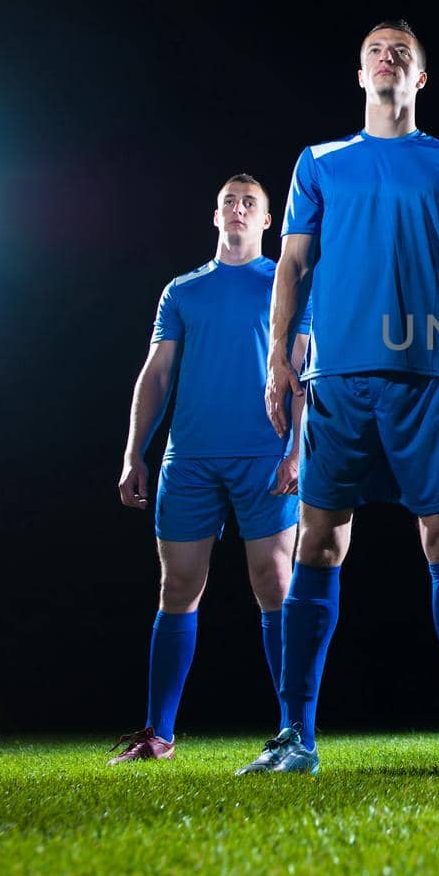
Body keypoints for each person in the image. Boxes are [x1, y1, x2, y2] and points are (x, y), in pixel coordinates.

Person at [236, 20, 439, 775]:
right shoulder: (319, 162)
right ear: (360, 75)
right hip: (336, 383)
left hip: (429, 380)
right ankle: (296, 737)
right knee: (317, 543)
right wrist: (279, 360)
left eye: (403, 54)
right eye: (377, 52)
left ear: (421, 79)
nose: (389, 60)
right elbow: (291, 265)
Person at [110, 175, 310, 764]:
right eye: (229, 201)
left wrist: (298, 450)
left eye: (250, 203)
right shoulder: (182, 291)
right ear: (215, 214)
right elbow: (157, 375)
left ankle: (292, 731)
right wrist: (133, 452)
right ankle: (158, 734)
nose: (239, 209)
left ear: (267, 220)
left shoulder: (287, 284)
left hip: (266, 454)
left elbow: (303, 373)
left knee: (276, 586)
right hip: (190, 458)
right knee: (177, 588)